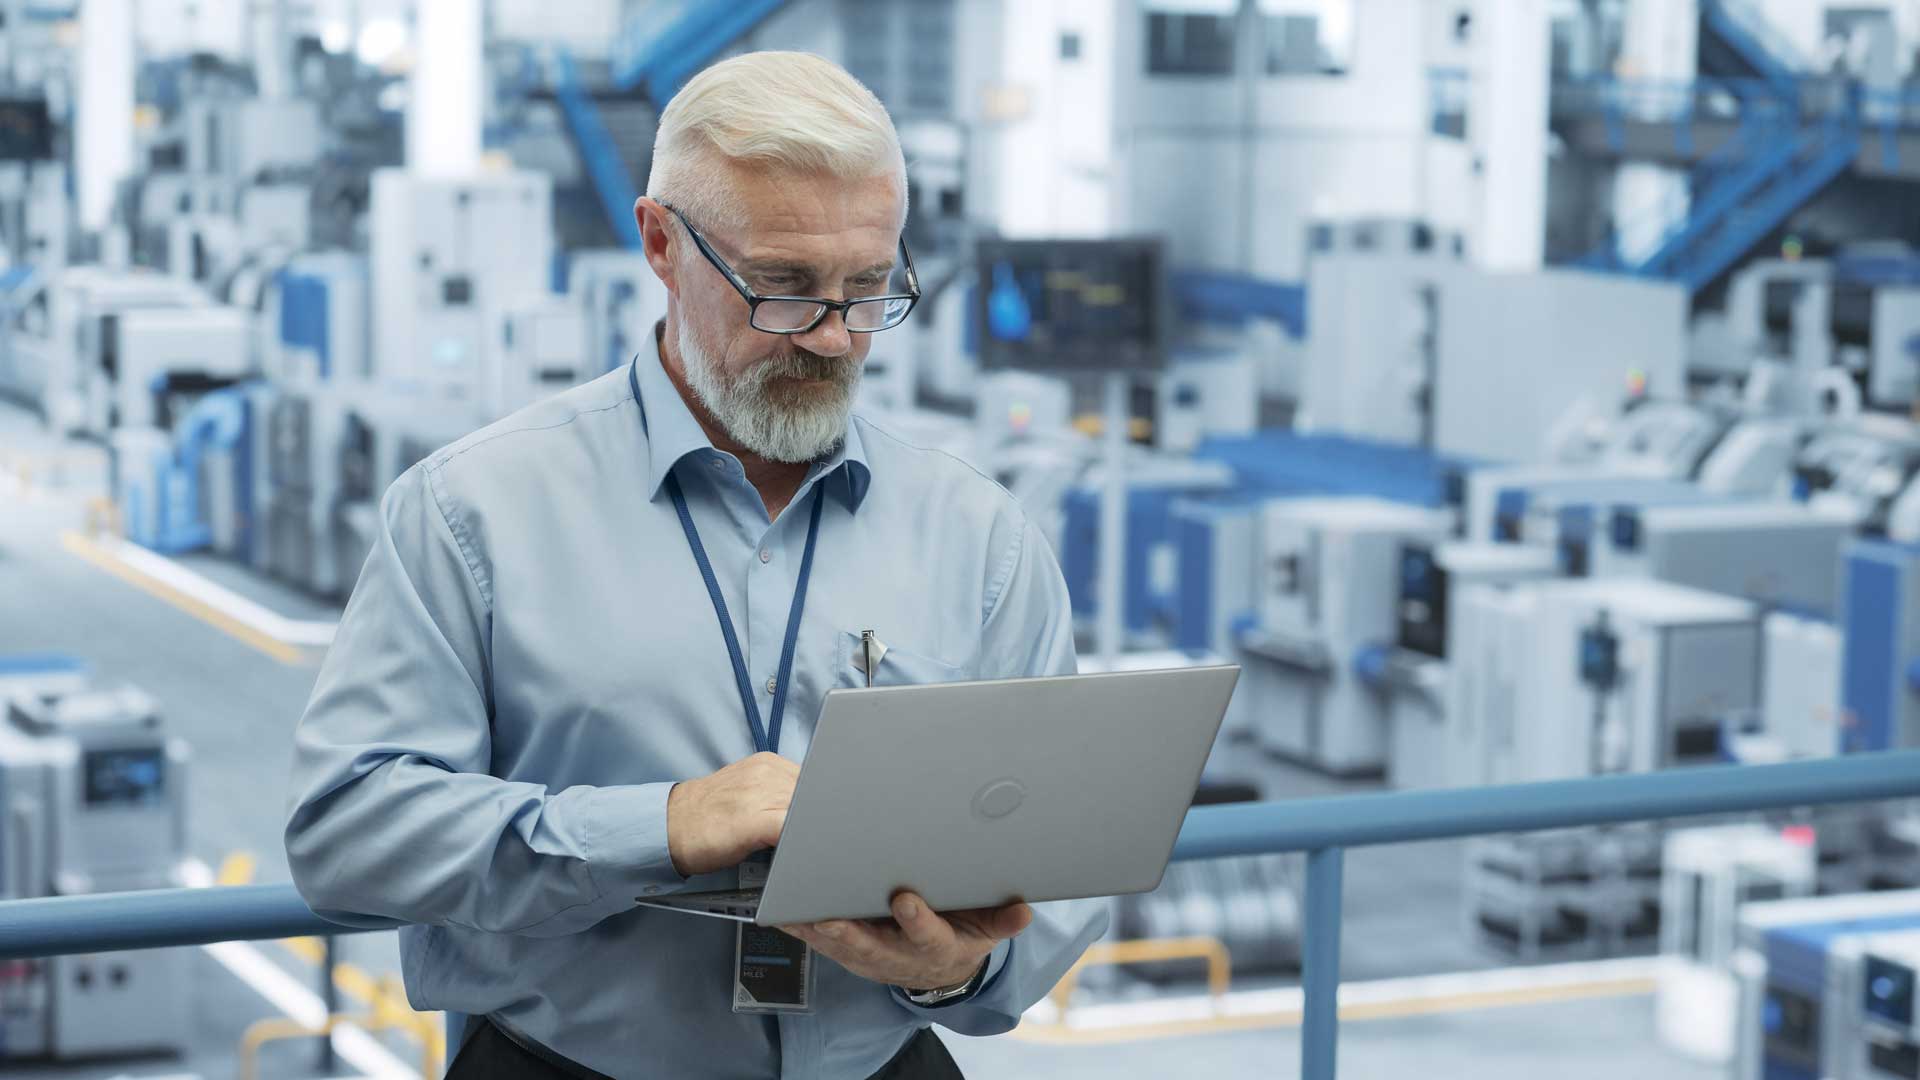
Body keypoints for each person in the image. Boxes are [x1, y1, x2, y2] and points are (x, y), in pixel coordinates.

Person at [283, 50, 1107, 1080]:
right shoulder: (470, 514)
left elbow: (1059, 859)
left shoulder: (981, 538)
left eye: (867, 288)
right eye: (784, 287)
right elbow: (347, 834)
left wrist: (953, 971)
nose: (835, 337)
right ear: (661, 243)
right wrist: (662, 825)